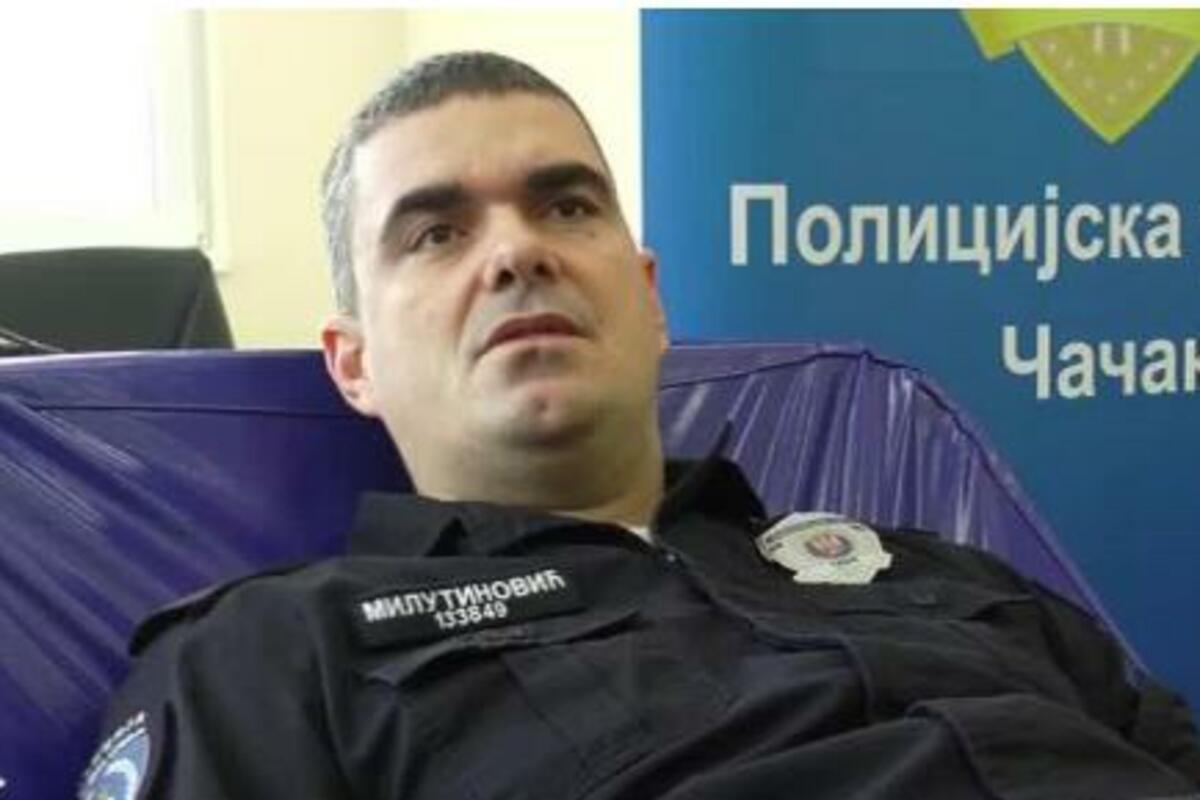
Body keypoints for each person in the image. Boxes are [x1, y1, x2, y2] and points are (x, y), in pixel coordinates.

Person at [80, 51, 1200, 800]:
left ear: (652, 298)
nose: (518, 252)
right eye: (436, 233)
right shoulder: (275, 655)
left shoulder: (930, 570)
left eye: (567, 205)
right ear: (355, 361)